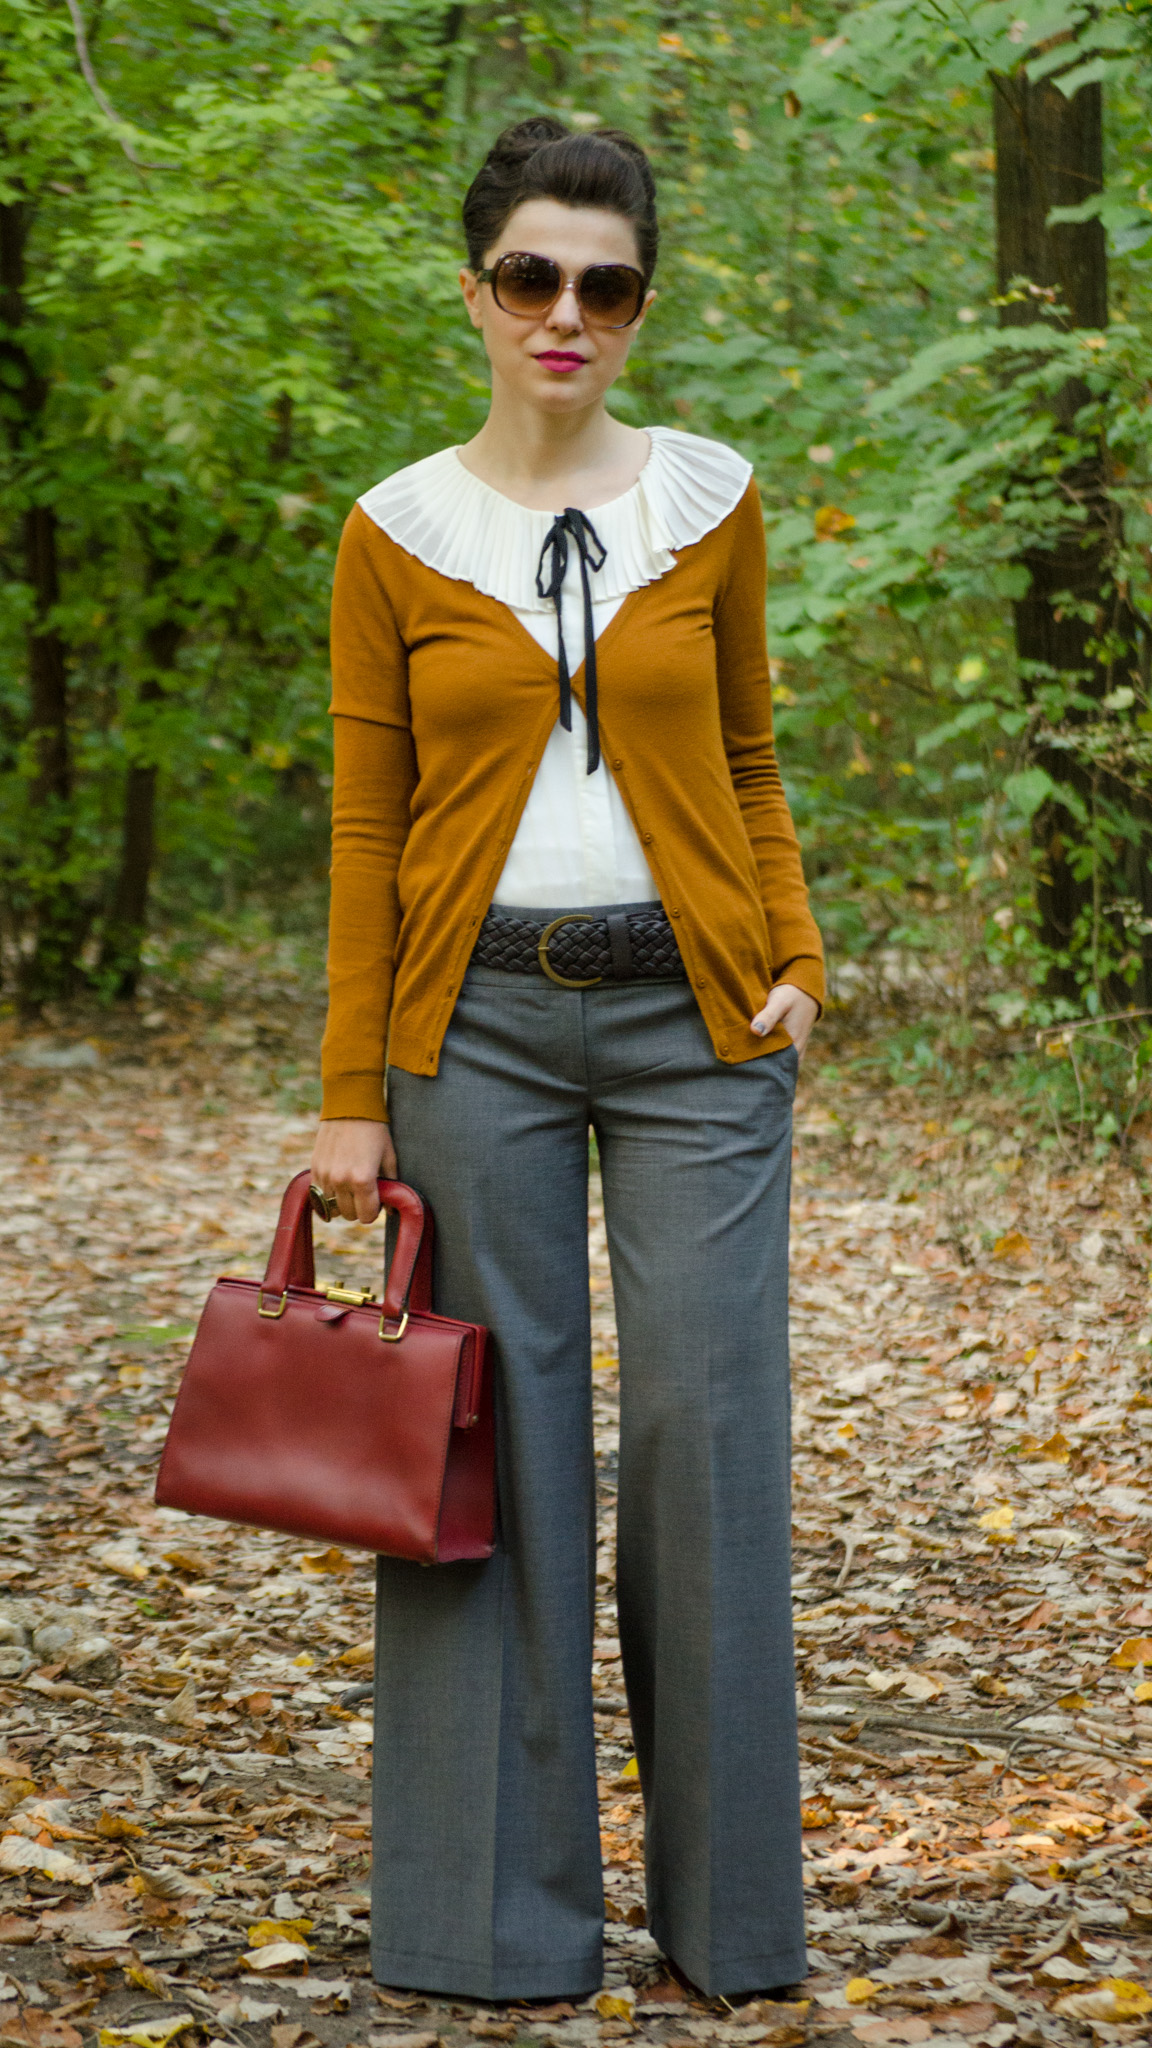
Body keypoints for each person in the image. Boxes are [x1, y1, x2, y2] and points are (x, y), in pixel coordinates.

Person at [309, 115, 823, 2006]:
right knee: (490, 1457)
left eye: (603, 285)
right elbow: (369, 826)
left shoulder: (714, 500)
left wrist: (795, 960)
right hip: (478, 1031)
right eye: (531, 275)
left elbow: (751, 764)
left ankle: (730, 1931)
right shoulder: (394, 531)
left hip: (702, 1028)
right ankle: (490, 1934)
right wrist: (355, 1087)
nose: (566, 312)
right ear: (477, 292)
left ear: (638, 308)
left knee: (706, 1441)